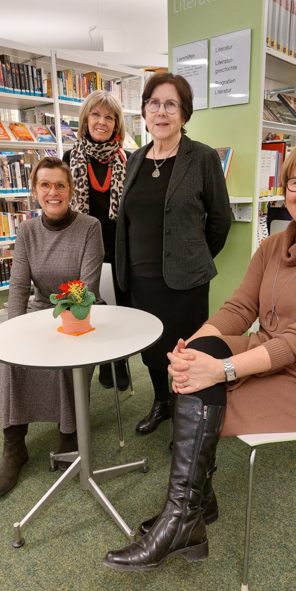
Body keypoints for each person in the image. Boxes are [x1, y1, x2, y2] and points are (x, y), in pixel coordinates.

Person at [102, 138, 296, 570]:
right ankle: (192, 511)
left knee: (201, 391)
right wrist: (192, 349)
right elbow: (239, 308)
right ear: (284, 188)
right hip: (271, 356)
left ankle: (184, 517)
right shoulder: (273, 244)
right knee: (194, 367)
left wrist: (223, 370)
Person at [115, 72, 232, 437]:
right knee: (151, 350)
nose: (161, 112)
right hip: (139, 279)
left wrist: (191, 255)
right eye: (154, 104)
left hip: (184, 282)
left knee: (185, 351)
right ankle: (161, 402)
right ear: (144, 111)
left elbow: (220, 220)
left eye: (171, 104)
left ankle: (187, 417)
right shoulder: (135, 159)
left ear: (184, 113)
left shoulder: (202, 158)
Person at [0, 157, 104, 498]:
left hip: (81, 313)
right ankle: (14, 447)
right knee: (13, 361)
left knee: (62, 357)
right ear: (34, 191)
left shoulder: (90, 227)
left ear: (71, 190)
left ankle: (69, 436)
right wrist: (13, 333)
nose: (52, 192)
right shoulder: (26, 230)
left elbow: (87, 287)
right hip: (40, 310)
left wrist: (65, 323)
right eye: (45, 184)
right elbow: (19, 287)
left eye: (60, 185)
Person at [63, 90, 132, 391]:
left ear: (117, 123)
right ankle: (104, 361)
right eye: (96, 115)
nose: (101, 122)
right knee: (93, 305)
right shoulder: (69, 157)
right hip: (85, 247)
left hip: (120, 247)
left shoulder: (129, 159)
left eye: (109, 116)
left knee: (121, 307)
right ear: (85, 119)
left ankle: (120, 360)